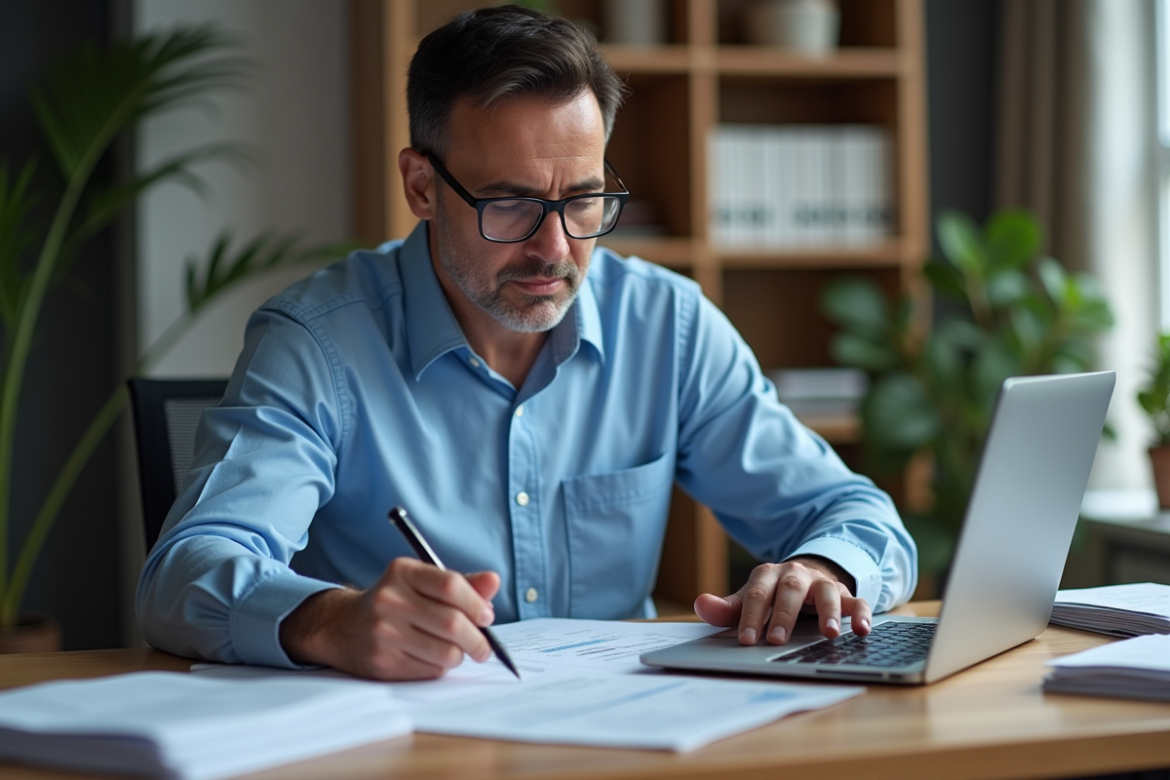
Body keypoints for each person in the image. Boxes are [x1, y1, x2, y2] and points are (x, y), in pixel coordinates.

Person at [137, 5, 917, 681]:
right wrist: (327, 621)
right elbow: (183, 575)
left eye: (583, 199)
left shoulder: (668, 326)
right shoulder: (317, 343)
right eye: (509, 204)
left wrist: (822, 567)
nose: (555, 248)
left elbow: (857, 516)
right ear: (421, 186)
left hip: (621, 734)